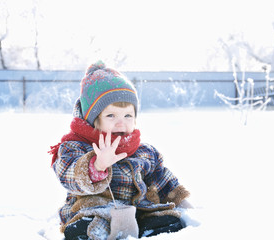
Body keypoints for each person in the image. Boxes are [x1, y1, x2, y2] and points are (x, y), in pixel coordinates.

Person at [49, 61, 193, 240]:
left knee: (167, 219)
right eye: (111, 115)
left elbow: (161, 179)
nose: (121, 122)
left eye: (127, 116)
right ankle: (101, 231)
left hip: (138, 209)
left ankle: (146, 229)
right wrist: (97, 165)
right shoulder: (76, 146)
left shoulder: (144, 151)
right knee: (92, 225)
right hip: (94, 207)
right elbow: (67, 172)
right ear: (94, 120)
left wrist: (180, 199)